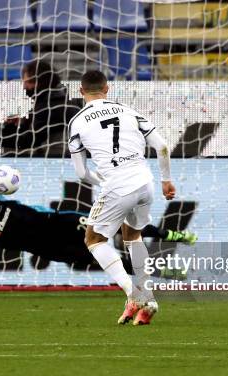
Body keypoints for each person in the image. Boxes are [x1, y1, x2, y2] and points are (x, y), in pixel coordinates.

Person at [68, 70, 175, 326]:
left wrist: (102, 182)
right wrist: (166, 180)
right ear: (108, 89)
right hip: (145, 183)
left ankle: (134, 293)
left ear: (81, 91)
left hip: (117, 186)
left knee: (93, 239)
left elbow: (82, 173)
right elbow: (162, 146)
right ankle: (149, 299)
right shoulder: (128, 111)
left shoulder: (77, 121)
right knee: (133, 236)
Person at [0, 172, 196, 269]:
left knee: (113, 227)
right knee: (101, 258)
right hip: (45, 247)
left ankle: (168, 235)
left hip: (56, 222)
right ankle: (159, 271)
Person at [0, 60, 79, 157]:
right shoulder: (57, 95)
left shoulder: (51, 105)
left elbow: (29, 141)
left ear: (41, 82)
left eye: (29, 82)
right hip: (64, 153)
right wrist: (24, 120)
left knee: (10, 152)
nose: (25, 86)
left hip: (59, 157)